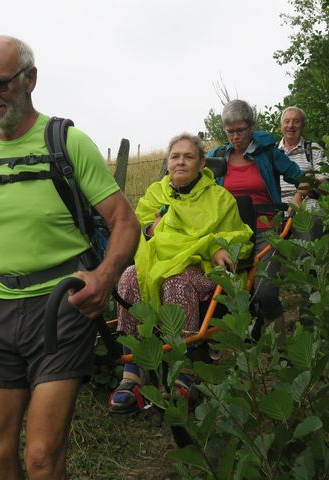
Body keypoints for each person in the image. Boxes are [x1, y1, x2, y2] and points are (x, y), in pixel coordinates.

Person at [0, 35, 140, 480]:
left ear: (30, 79)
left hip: (61, 308)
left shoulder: (68, 142)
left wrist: (103, 276)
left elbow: (124, 222)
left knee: (41, 457)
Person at [108, 133, 253, 414]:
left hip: (198, 268)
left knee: (178, 282)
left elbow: (238, 236)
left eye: (188, 156)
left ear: (201, 164)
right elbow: (141, 226)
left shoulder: (219, 198)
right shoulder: (156, 193)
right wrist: (152, 229)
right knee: (128, 277)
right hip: (156, 264)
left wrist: (214, 246)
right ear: (168, 162)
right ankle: (134, 370)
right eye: (175, 156)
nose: (180, 162)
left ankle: (182, 371)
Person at [210, 99, 307, 344]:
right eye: (229, 131)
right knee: (227, 290)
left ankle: (282, 350)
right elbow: (193, 184)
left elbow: (303, 179)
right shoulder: (218, 156)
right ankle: (233, 344)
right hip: (230, 232)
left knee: (265, 290)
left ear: (251, 126)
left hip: (266, 227)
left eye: (240, 130)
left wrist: (297, 198)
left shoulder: (268, 154)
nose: (234, 136)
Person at [278, 106, 329, 241]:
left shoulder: (313, 149)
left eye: (296, 121)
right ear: (280, 126)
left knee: (307, 256)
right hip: (277, 214)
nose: (290, 126)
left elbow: (326, 188)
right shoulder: (273, 152)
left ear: (303, 126)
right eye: (287, 121)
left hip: (309, 211)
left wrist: (307, 185)